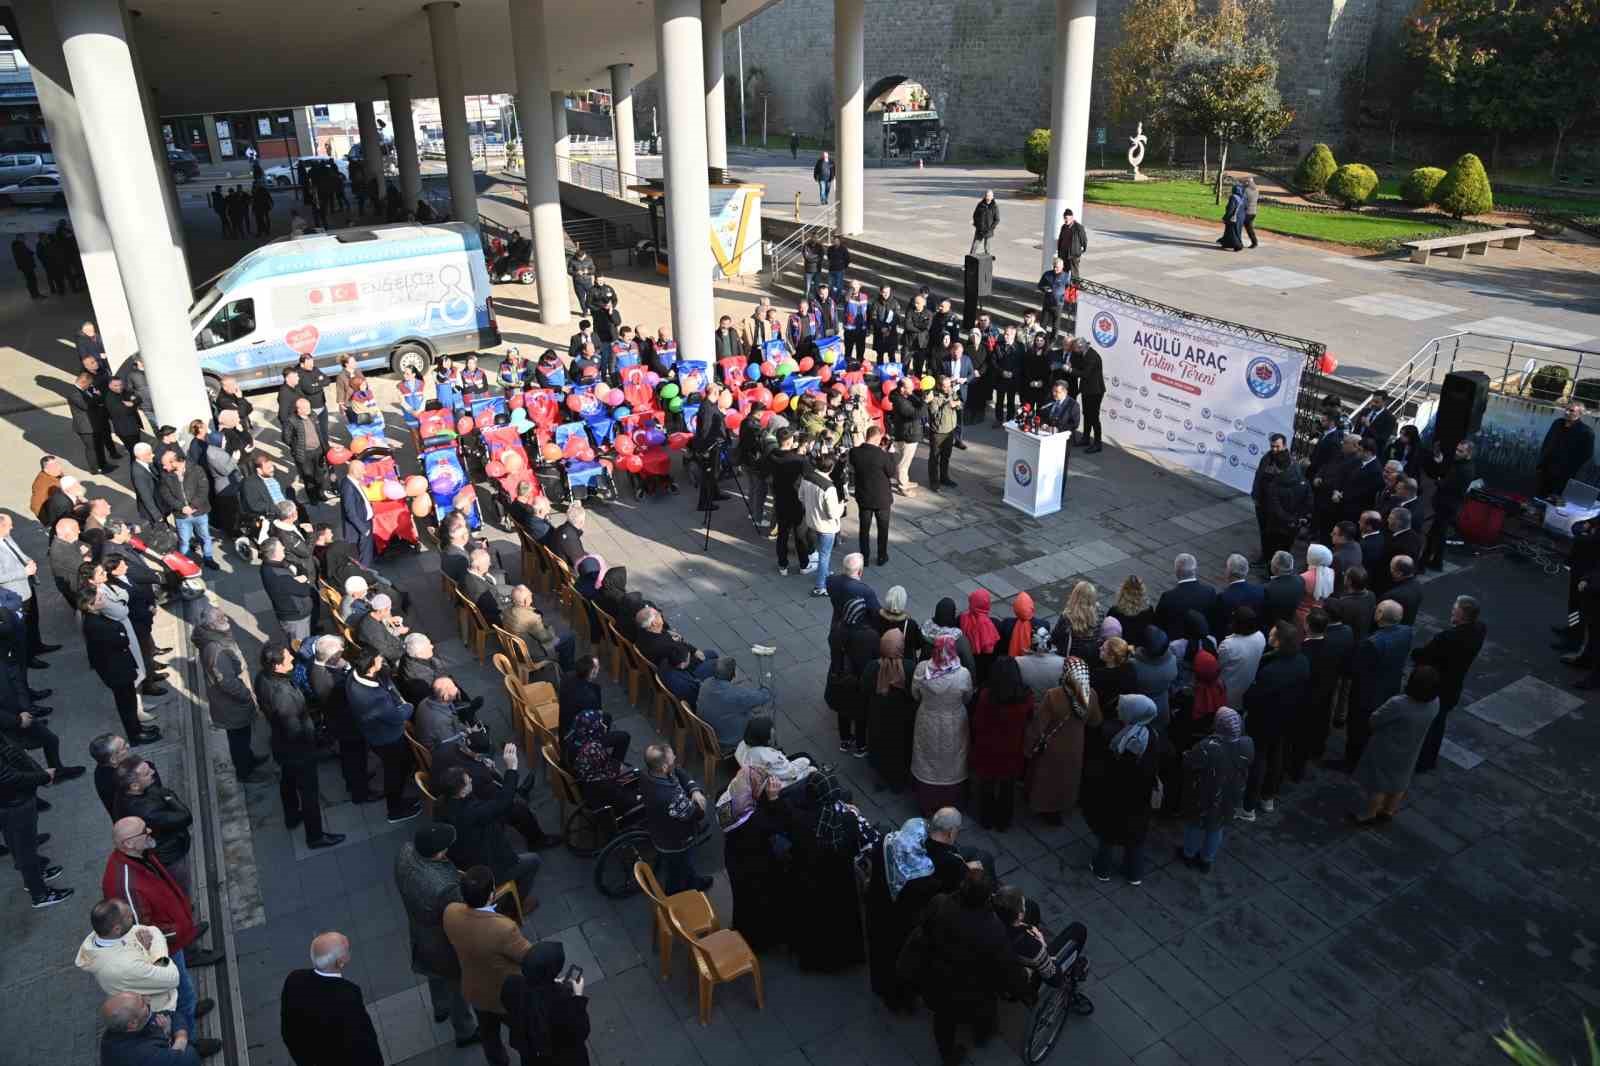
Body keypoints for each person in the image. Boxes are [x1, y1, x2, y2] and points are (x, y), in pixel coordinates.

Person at [911, 866, 1029, 1065]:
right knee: (983, 1013)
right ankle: (982, 1036)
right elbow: (1006, 965)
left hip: (938, 976)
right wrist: (1022, 982)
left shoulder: (940, 903)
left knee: (943, 1020)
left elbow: (926, 928)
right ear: (986, 898)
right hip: (974, 987)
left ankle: (947, 1054)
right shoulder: (992, 929)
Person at [394, 824, 481, 1047]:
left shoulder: (405, 853)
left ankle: (440, 1008)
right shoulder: (444, 886)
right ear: (439, 853)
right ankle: (465, 1030)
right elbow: (462, 911)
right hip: (443, 942)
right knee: (456, 983)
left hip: (419, 930)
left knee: (434, 973)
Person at [256, 642, 343, 849]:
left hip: (281, 745)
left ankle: (292, 816)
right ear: (277, 666)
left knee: (287, 780)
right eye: (287, 659)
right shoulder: (282, 695)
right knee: (309, 793)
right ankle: (315, 836)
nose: (292, 660)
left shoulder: (263, 678)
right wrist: (313, 744)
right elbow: (294, 729)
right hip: (298, 751)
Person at [445, 865, 533, 1066]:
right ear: (492, 894)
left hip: (474, 990)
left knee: (488, 1034)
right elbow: (527, 956)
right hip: (505, 996)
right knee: (524, 1033)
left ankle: (498, 1062)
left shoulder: (450, 912)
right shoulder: (503, 928)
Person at [438, 743, 541, 910]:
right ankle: (515, 907)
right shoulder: (472, 812)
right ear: (462, 792)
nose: (471, 779)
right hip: (487, 868)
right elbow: (503, 803)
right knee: (534, 861)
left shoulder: (443, 804)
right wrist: (512, 768)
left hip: (465, 859)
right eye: (467, 781)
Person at [1082, 693, 1165, 884]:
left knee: (1108, 833)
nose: (1118, 709)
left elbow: (1103, 765)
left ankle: (1102, 869)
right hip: (1140, 798)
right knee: (1135, 838)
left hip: (1116, 794)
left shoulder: (1112, 734)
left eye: (1122, 707)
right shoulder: (1153, 735)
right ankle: (1133, 873)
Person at [1351, 666, 1441, 826]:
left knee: (1378, 784)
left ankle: (1369, 814)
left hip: (1386, 748)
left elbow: (1375, 720)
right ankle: (1388, 811)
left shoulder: (1399, 704)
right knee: (1400, 781)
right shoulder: (1435, 702)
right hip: (1411, 748)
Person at [1239, 621, 1309, 819]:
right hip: (1287, 719)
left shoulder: (1271, 671)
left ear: (1279, 642)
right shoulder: (1302, 661)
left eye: (1272, 635)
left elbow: (1253, 697)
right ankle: (1268, 797)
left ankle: (1248, 807)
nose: (1268, 637)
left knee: (1258, 762)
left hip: (1264, 722)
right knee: (1276, 756)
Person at [279, 933, 383, 1066]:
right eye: (348, 949)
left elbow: (288, 1030)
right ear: (340, 962)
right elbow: (367, 1044)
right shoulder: (348, 997)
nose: (350, 951)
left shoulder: (294, 978)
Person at [1412, 595, 1486, 771]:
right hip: (1453, 686)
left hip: (1437, 686)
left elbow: (1425, 655)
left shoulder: (1448, 637)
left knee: (1430, 724)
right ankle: (1428, 759)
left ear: (1462, 615)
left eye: (1455, 610)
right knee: (1438, 721)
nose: (1451, 611)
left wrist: (1416, 654)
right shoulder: (1480, 630)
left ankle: (1423, 761)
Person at [1338, 600, 1413, 772]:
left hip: (1367, 693)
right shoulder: (1406, 632)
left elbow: (1356, 669)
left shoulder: (1372, 643)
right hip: (1390, 686)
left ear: (1379, 615)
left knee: (1357, 727)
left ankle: (1352, 761)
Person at [345, 651, 420, 823]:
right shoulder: (374, 699)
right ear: (371, 667)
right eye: (378, 658)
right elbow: (398, 715)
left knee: (401, 764)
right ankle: (394, 809)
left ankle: (400, 794)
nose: (381, 659)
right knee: (394, 772)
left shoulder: (354, 676)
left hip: (377, 733)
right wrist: (407, 706)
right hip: (387, 739)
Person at [1177, 708, 1252, 873]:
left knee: (1195, 824)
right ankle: (1206, 859)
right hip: (1230, 794)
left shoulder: (1208, 747)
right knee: (1216, 827)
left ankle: (1189, 854)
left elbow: (1189, 764)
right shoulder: (1247, 743)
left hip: (1204, 795)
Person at [911, 635, 974, 816]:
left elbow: (915, 693)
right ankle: (952, 801)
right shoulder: (963, 674)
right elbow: (967, 697)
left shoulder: (922, 669)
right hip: (954, 721)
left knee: (926, 755)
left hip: (927, 719)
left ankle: (927, 800)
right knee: (954, 758)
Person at [969, 658, 1032, 832]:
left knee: (986, 784)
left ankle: (986, 818)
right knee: (1008, 786)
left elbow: (977, 722)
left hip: (988, 747)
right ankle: (1004, 821)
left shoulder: (986, 696)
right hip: (1012, 748)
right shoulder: (1025, 697)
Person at [503, 942, 591, 1066]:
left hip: (530, 1054)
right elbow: (581, 1031)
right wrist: (578, 996)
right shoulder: (562, 1000)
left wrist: (549, 982)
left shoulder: (512, 984)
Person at [1294, 607, 1355, 778]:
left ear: (1307, 626)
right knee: (1321, 720)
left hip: (1307, 696)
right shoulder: (1333, 644)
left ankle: (1299, 761)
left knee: (1302, 730)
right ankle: (1317, 749)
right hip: (1327, 690)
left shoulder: (1303, 652)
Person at [641, 743, 710, 893]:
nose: (676, 759)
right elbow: (697, 814)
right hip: (676, 842)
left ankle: (694, 881)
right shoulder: (669, 797)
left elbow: (679, 771)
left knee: (684, 865)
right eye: (672, 759)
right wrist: (700, 802)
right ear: (665, 768)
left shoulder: (648, 773)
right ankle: (675, 899)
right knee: (677, 873)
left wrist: (694, 789)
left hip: (659, 829)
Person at [98, 991, 201, 1066]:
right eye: (143, 1003)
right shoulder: (142, 1055)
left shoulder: (122, 1028)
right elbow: (189, 1058)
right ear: (132, 1023)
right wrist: (180, 1038)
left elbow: (172, 1015)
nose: (148, 999)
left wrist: (176, 1041)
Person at [696, 657, 772, 753]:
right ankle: (761, 750)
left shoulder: (706, 683)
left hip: (706, 733)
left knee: (746, 709)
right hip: (726, 740)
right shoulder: (735, 695)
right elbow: (764, 696)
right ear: (733, 674)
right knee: (764, 721)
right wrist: (766, 684)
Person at [1422, 438, 1476, 572]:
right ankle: (1432, 561)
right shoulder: (1461, 464)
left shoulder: (1464, 469)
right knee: (1437, 534)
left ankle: (1431, 561)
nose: (1457, 453)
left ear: (1468, 453)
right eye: (1457, 449)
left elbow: (1446, 484)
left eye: (1461, 451)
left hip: (1447, 505)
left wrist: (1440, 481)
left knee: (1437, 534)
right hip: (1447, 503)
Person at [850, 425, 896, 565]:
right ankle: (882, 556)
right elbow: (891, 472)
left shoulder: (854, 452)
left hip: (864, 497)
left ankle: (864, 557)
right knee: (883, 529)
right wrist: (890, 453)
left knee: (864, 529)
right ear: (877, 438)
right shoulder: (882, 455)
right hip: (882, 499)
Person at [1536, 401, 1594, 498]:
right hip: (1547, 468)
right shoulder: (1557, 423)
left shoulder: (1586, 432)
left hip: (1565, 473)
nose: (1567, 412)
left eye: (1571, 411)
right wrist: (1541, 462)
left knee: (1559, 500)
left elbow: (1587, 454)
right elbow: (1547, 443)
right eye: (1566, 409)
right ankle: (1537, 511)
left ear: (1579, 414)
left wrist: (1570, 468)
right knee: (1541, 495)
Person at [1155, 553, 1218, 638]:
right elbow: (1214, 619)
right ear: (1195, 570)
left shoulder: (1168, 597)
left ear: (1177, 572)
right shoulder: (1209, 592)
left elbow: (1159, 623)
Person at [888, 376, 924, 497]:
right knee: (904, 462)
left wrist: (918, 396)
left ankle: (905, 481)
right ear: (902, 389)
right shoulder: (900, 402)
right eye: (910, 388)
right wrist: (924, 402)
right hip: (907, 434)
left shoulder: (900, 395)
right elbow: (917, 414)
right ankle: (902, 486)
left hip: (907, 432)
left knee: (905, 460)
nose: (912, 390)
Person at [925, 374, 962, 490]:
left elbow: (959, 404)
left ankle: (944, 478)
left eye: (949, 385)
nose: (948, 388)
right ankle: (934, 482)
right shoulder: (934, 397)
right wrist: (947, 405)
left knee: (946, 456)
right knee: (935, 458)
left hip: (950, 430)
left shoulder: (952, 392)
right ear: (939, 386)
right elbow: (934, 414)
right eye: (945, 386)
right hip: (938, 432)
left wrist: (958, 404)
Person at [338, 459, 376, 567]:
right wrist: (364, 530)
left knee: (367, 551)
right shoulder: (348, 488)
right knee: (365, 555)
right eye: (362, 470)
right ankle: (366, 572)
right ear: (354, 471)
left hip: (364, 522)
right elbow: (351, 513)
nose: (365, 472)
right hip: (361, 526)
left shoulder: (351, 481)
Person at [1036, 256, 1070, 341]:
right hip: (1047, 303)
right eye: (1054, 266)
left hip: (1058, 305)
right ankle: (1041, 339)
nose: (1055, 269)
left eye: (1057, 267)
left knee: (1055, 326)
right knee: (1043, 324)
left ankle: (1053, 341)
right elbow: (1040, 285)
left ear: (1062, 267)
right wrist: (1045, 289)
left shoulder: (1066, 276)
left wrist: (1062, 295)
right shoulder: (1047, 274)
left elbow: (1068, 287)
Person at [1056, 208, 1088, 278]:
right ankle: (1064, 285)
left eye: (1067, 218)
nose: (1065, 220)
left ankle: (1075, 286)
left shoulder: (1079, 227)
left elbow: (1084, 240)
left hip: (1073, 254)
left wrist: (1081, 251)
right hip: (1063, 254)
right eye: (1064, 218)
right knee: (1063, 271)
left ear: (1072, 217)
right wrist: (1059, 250)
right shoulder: (1063, 227)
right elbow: (1060, 238)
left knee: (1074, 272)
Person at [1218, 180, 1245, 251]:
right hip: (1241, 217)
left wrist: (1225, 217)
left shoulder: (1233, 197)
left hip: (1233, 217)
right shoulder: (1242, 198)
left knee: (1232, 232)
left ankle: (1238, 245)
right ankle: (1226, 243)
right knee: (1236, 232)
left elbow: (1230, 208)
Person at [970, 190, 999, 254]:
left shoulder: (994, 206)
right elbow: (975, 215)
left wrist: (991, 228)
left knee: (987, 248)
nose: (987, 197)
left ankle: (987, 262)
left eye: (989, 196)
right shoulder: (980, 204)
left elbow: (997, 219)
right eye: (986, 195)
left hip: (988, 230)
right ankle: (970, 261)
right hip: (979, 230)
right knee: (974, 246)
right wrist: (977, 225)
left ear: (992, 197)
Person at [1240, 175, 1261, 248]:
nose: (1244, 183)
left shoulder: (1246, 190)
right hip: (1253, 212)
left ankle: (1254, 242)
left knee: (1240, 227)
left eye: (1245, 182)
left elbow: (1243, 200)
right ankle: (1254, 242)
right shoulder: (1256, 189)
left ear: (1248, 182)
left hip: (1247, 212)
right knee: (1249, 228)